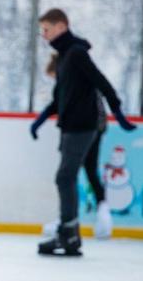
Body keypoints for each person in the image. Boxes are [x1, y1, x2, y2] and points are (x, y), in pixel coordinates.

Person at [31, 9, 136, 257]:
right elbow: (59, 99)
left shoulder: (76, 54)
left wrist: (118, 111)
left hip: (83, 125)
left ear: (61, 26)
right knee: (66, 177)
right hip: (70, 127)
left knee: (65, 176)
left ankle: (69, 234)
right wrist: (39, 121)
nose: (44, 35)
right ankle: (69, 233)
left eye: (46, 29)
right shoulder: (65, 56)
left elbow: (102, 82)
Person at [37, 53, 113, 239]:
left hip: (85, 130)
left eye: (55, 75)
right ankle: (81, 217)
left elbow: (90, 106)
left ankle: (68, 219)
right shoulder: (74, 83)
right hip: (87, 129)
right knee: (81, 172)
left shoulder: (76, 83)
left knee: (68, 174)